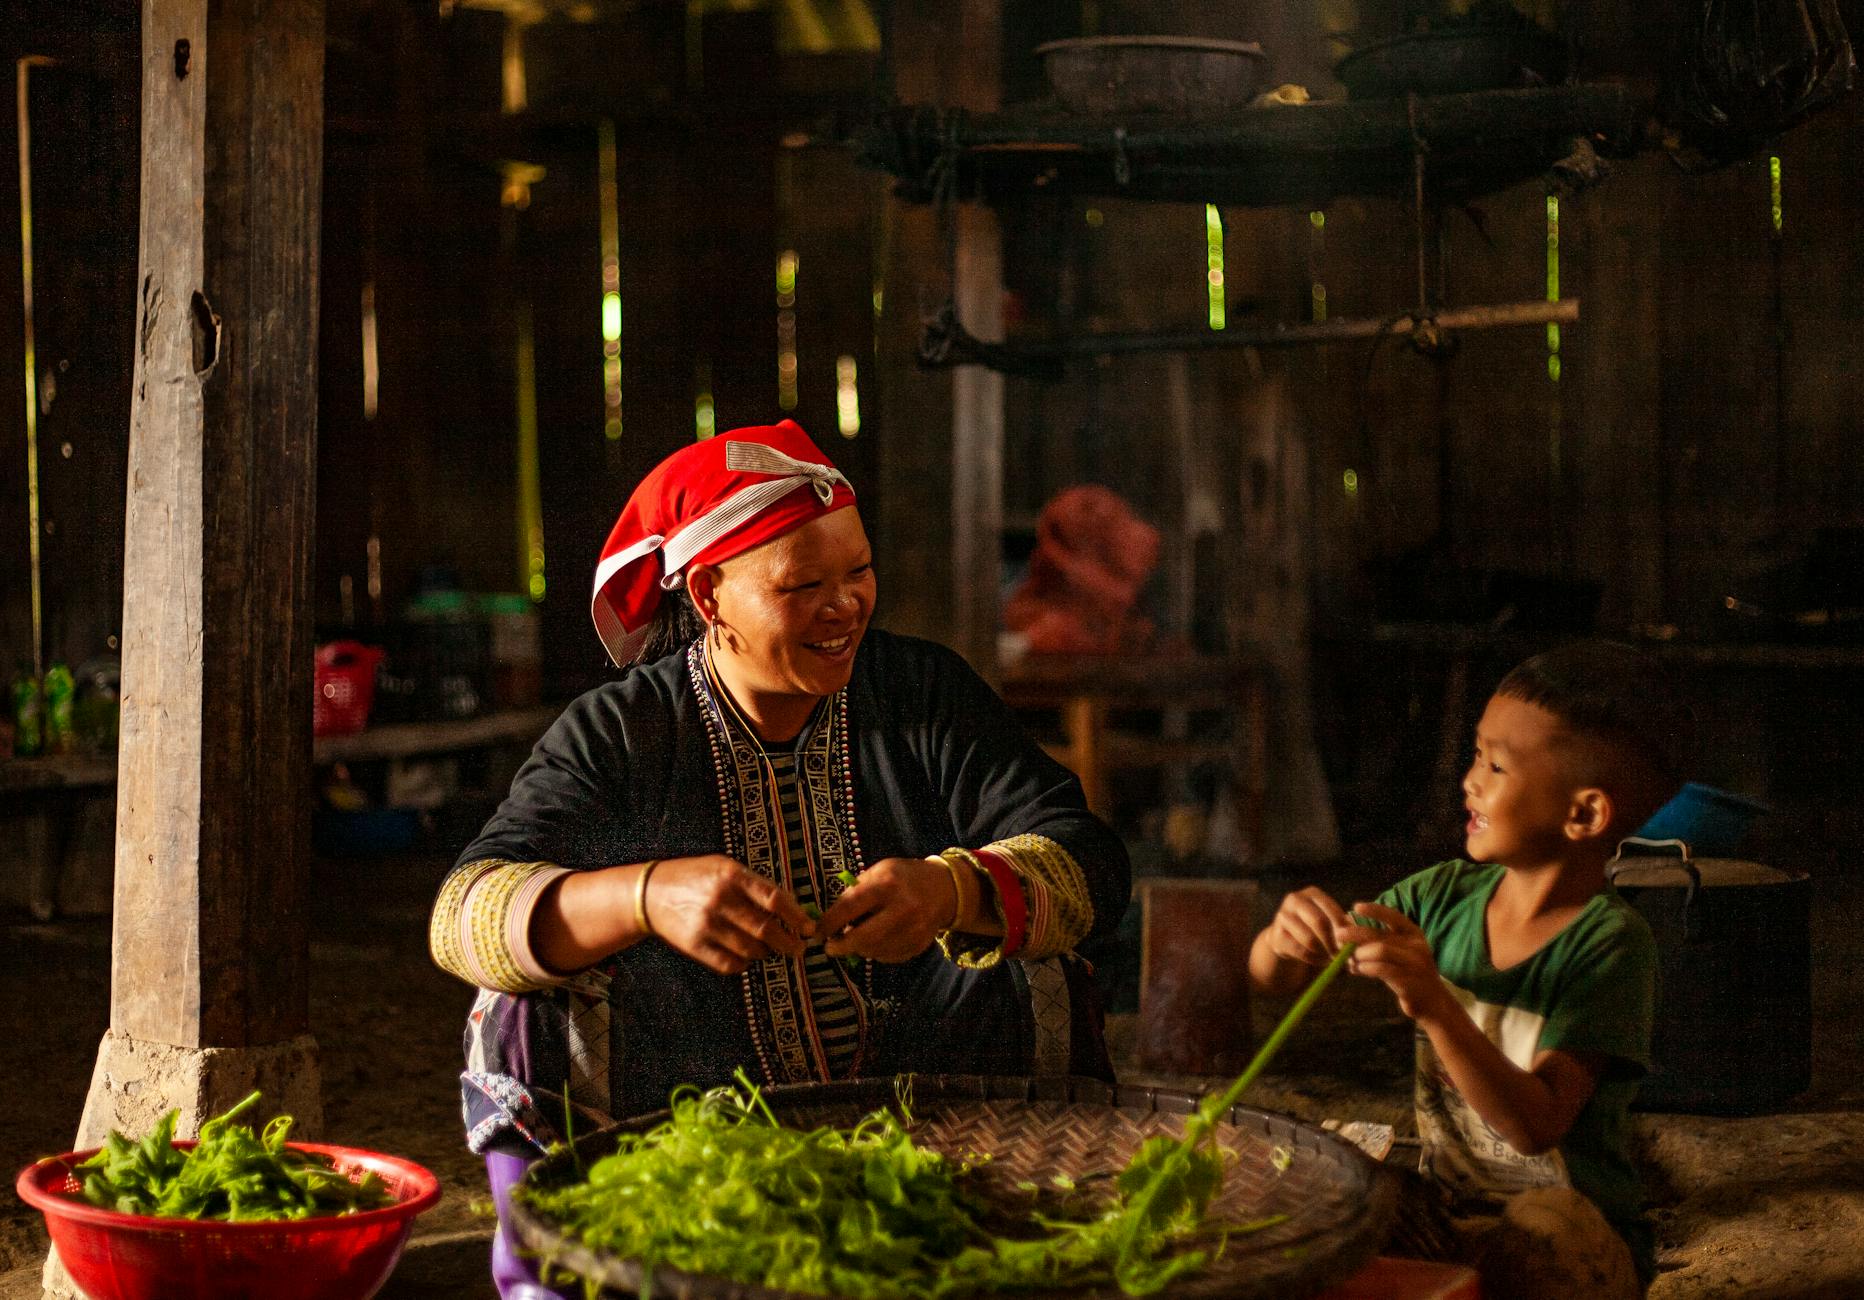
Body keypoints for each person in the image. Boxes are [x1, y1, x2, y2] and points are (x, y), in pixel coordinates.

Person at [430, 420, 1131, 1299]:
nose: (846, 606)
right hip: (694, 1138)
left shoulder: (920, 694)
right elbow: (463, 913)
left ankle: (1040, 1252)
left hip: (922, 1121)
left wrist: (953, 891)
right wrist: (646, 896)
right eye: (804, 585)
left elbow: (1090, 864)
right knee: (520, 1003)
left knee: (1041, 962)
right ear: (712, 594)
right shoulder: (622, 733)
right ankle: (560, 1275)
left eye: (859, 572)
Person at [1249, 641, 1680, 1298]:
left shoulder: (1612, 945)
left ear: (1584, 813)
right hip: (1450, 1210)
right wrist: (1284, 943)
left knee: (1550, 1242)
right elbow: (1273, 983)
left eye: (1497, 765)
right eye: (1476, 754)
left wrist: (1435, 1005)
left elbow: (1535, 1126)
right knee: (1315, 1200)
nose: (1469, 780)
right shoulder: (1440, 895)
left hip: (1570, 1228)